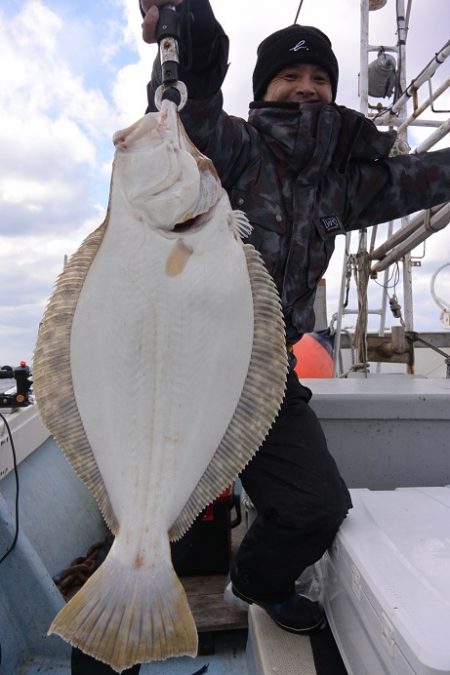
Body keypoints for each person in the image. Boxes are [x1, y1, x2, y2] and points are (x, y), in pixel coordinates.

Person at [72, 1, 450, 671]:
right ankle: (117, 609)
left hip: (266, 379)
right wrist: (181, 14)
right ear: (263, 88)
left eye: (319, 77)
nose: (306, 87)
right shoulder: (232, 146)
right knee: (144, 509)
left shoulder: (341, 185)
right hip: (173, 367)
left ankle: (256, 583)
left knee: (319, 506)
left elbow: (428, 178)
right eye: (290, 75)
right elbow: (201, 78)